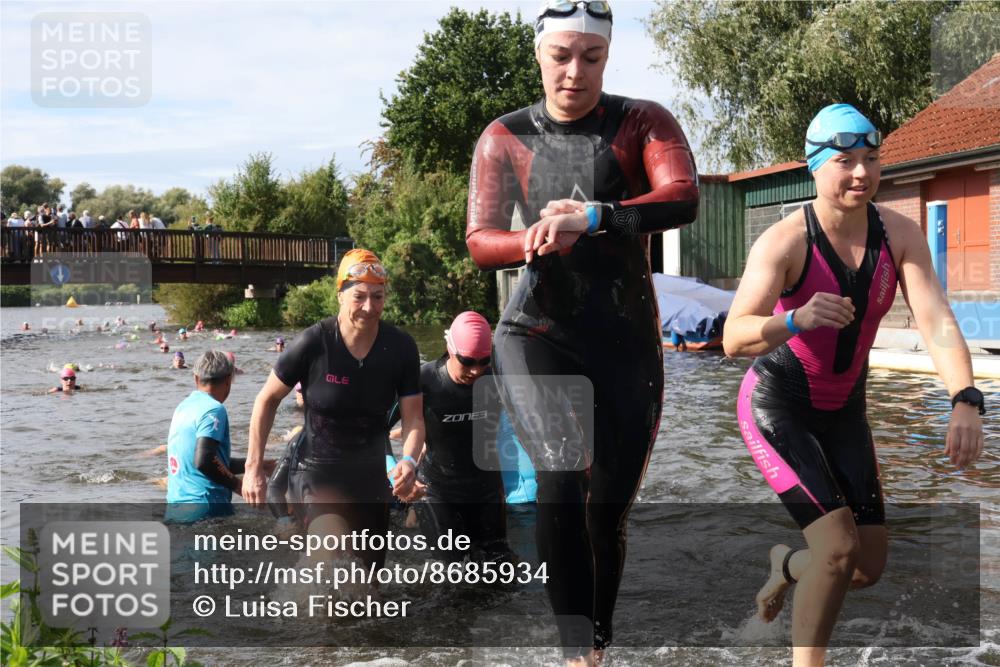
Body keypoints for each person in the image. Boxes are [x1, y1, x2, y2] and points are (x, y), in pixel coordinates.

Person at [465, 2, 698, 663]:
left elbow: (682, 195)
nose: (574, 72)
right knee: (561, 471)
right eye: (561, 56)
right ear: (538, 55)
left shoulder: (641, 121)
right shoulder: (503, 136)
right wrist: (536, 236)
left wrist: (595, 216)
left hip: (625, 338)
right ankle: (575, 654)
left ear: (608, 56)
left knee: (608, 517)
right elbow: (481, 241)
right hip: (537, 330)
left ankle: (598, 644)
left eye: (591, 58)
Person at [722, 103, 986, 667]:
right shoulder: (785, 241)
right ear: (814, 167)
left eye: (871, 159)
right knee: (837, 547)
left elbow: (937, 322)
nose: (862, 173)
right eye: (845, 161)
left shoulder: (900, 235)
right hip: (777, 406)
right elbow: (734, 336)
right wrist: (794, 319)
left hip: (844, 411)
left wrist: (965, 398)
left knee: (865, 567)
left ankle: (787, 567)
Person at [242, 248, 425, 570]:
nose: (369, 307)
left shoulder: (400, 347)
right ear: (340, 295)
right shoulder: (314, 342)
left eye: (378, 297)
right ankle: (299, 614)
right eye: (359, 296)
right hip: (316, 471)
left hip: (369, 480)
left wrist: (409, 460)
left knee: (366, 590)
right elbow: (266, 400)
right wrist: (254, 467)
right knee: (326, 559)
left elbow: (413, 419)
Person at [389, 311, 517, 563]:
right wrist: (398, 470)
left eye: (484, 361)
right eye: (467, 361)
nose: (476, 370)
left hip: (487, 491)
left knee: (501, 574)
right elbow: (374, 429)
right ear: (450, 349)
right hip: (437, 491)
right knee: (452, 576)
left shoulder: (498, 377)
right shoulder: (424, 381)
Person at [165, 351, 272, 522]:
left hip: (176, 510)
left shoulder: (182, 408)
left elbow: (208, 460)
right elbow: (204, 460)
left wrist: (258, 466)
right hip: (205, 510)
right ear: (229, 379)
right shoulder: (214, 409)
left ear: (195, 378)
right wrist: (240, 486)